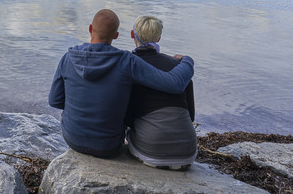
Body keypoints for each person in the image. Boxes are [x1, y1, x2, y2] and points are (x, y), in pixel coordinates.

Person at [48, 9, 194, 158]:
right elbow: (174, 84)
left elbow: (55, 101)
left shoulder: (68, 57)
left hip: (72, 140)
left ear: (90, 29)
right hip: (108, 147)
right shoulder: (126, 61)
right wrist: (187, 61)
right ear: (116, 36)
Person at [124, 15, 197, 170]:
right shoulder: (178, 67)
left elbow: (126, 116)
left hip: (151, 149)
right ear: (158, 39)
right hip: (187, 151)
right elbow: (191, 115)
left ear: (132, 34)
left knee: (129, 134)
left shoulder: (128, 66)